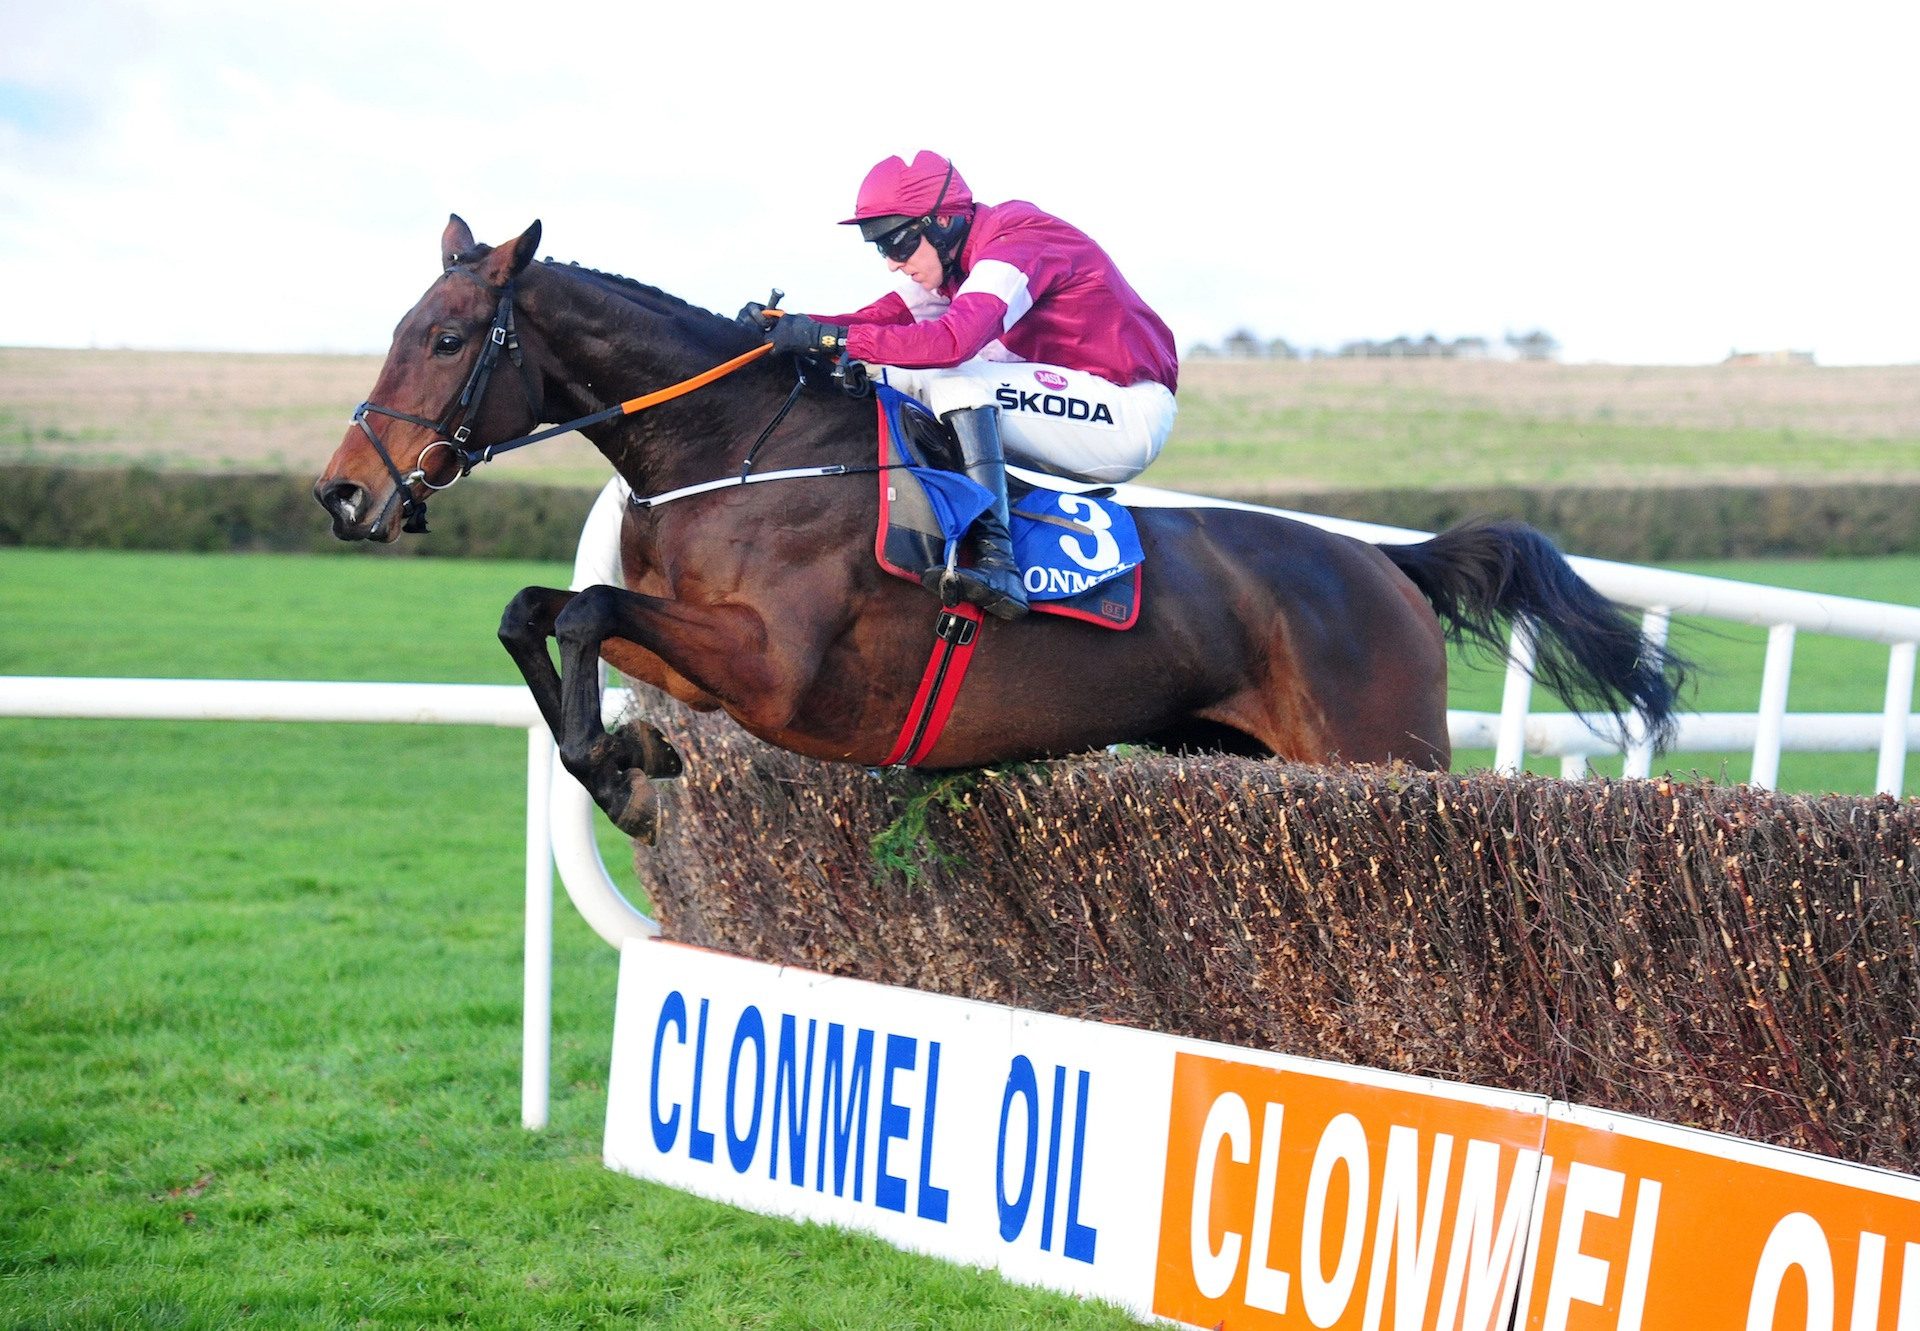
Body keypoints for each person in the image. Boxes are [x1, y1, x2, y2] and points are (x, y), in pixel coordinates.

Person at [746, 150, 1179, 620]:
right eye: (880, 249)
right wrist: (790, 327)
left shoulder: (1018, 241)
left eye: (896, 245)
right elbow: (876, 321)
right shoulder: (956, 265)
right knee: (886, 371)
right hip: (1076, 406)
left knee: (946, 375)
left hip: (1125, 414)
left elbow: (951, 343)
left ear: (944, 223)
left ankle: (1000, 563)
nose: (893, 263)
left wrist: (831, 338)